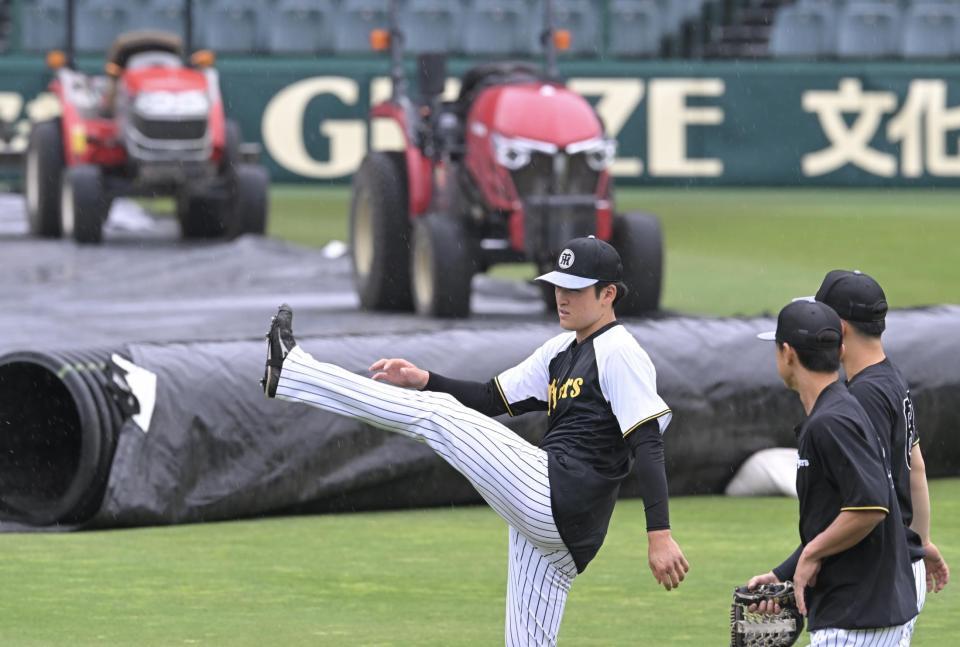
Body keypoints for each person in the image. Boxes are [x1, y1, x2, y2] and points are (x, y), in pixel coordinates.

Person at [260, 236, 689, 647]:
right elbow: (491, 397)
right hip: (567, 530)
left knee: (438, 418)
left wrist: (659, 535)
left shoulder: (619, 350)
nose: (562, 297)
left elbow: (647, 443)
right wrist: (424, 380)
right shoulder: (561, 349)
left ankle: (295, 371)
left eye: (575, 290)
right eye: (557, 285)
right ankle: (298, 374)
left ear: (608, 294)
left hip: (560, 494)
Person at [748, 300, 917, 645]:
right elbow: (837, 515)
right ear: (840, 348)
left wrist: (811, 554)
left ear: (787, 353)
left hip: (856, 617)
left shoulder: (832, 421)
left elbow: (870, 506)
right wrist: (785, 572)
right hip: (864, 612)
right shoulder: (840, 410)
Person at [815, 270, 950, 619]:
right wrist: (920, 542)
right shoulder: (892, 378)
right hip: (904, 566)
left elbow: (869, 498)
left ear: (840, 329)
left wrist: (808, 558)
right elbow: (915, 465)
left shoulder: (862, 395)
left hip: (879, 577)